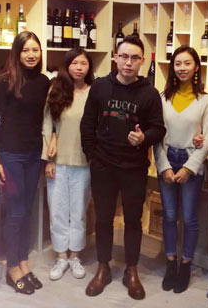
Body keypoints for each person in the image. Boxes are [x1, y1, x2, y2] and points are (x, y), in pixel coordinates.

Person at [80, 35, 166, 300]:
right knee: (103, 218)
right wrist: (92, 155)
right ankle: (103, 267)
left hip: (134, 167)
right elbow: (88, 123)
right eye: (124, 56)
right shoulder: (100, 87)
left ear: (143, 61)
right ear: (115, 57)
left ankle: (131, 269)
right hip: (103, 165)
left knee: (133, 220)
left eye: (135, 58)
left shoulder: (149, 93)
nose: (129, 63)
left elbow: (159, 129)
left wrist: (144, 138)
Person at [153, 45, 208, 294]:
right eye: (178, 63)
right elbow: (156, 135)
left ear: (196, 67)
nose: (182, 68)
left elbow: (207, 139)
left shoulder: (206, 101)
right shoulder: (162, 98)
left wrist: (189, 169)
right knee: (169, 216)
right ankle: (171, 263)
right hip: (167, 160)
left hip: (191, 162)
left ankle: (186, 265)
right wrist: (164, 166)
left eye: (187, 63)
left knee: (189, 218)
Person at [0, 31, 50, 295]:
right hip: (11, 155)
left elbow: (48, 118)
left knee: (27, 210)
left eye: (35, 50)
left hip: (33, 154)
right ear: (17, 53)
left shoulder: (44, 82)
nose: (31, 54)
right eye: (26, 50)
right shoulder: (4, 82)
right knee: (15, 211)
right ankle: (12, 267)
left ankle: (24, 263)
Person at [42, 48, 95, 281]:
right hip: (58, 161)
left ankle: (75, 256)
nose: (79, 67)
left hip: (84, 161)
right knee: (58, 211)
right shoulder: (56, 90)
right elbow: (47, 125)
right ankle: (61, 256)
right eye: (74, 63)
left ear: (89, 67)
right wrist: (48, 159)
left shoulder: (94, 93)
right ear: (67, 66)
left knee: (79, 212)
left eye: (83, 63)